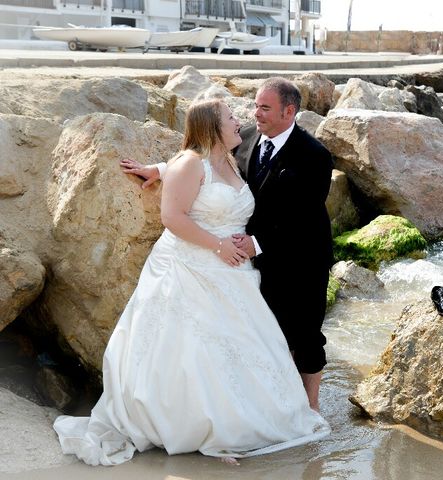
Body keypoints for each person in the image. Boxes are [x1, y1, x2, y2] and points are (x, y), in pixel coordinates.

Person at [53, 99, 330, 466]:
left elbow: (280, 206)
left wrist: (164, 170)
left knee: (242, 344)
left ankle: (246, 418)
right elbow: (171, 214)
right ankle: (198, 425)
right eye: (232, 118)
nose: (242, 121)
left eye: (250, 112)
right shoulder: (195, 160)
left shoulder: (240, 156)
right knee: (192, 345)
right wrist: (216, 245)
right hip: (193, 264)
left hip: (241, 268)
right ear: (213, 128)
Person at [121, 77, 334, 412]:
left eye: (264, 107)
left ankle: (311, 406)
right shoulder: (246, 136)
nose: (255, 113)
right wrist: (162, 169)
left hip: (301, 255)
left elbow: (303, 218)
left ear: (289, 111)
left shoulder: (315, 156)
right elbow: (205, 159)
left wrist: (257, 243)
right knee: (268, 332)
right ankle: (270, 402)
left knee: (306, 331)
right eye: (255, 106)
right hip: (249, 256)